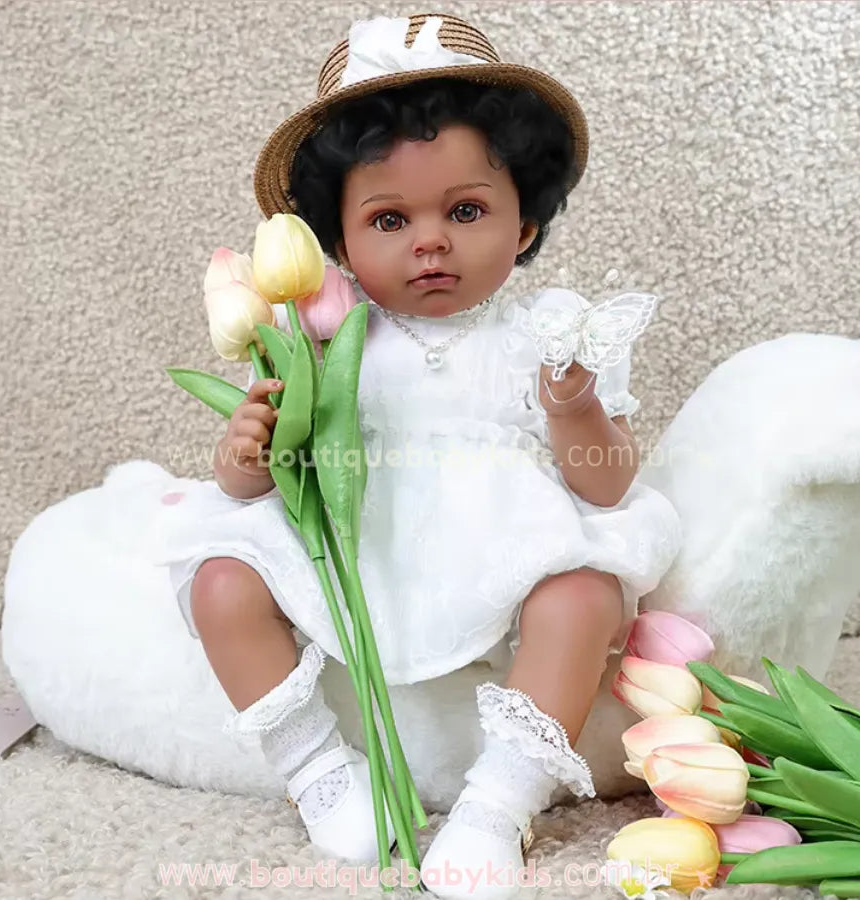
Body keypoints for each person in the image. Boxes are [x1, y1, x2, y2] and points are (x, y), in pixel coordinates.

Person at [156, 12, 681, 898]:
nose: (429, 240)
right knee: (219, 579)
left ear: (524, 223)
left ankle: (499, 805)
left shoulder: (549, 332)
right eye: (389, 218)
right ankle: (318, 769)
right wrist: (248, 446)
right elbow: (257, 479)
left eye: (466, 210)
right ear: (340, 243)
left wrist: (576, 405)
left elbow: (607, 489)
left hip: (502, 539)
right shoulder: (321, 331)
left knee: (587, 587)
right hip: (355, 539)